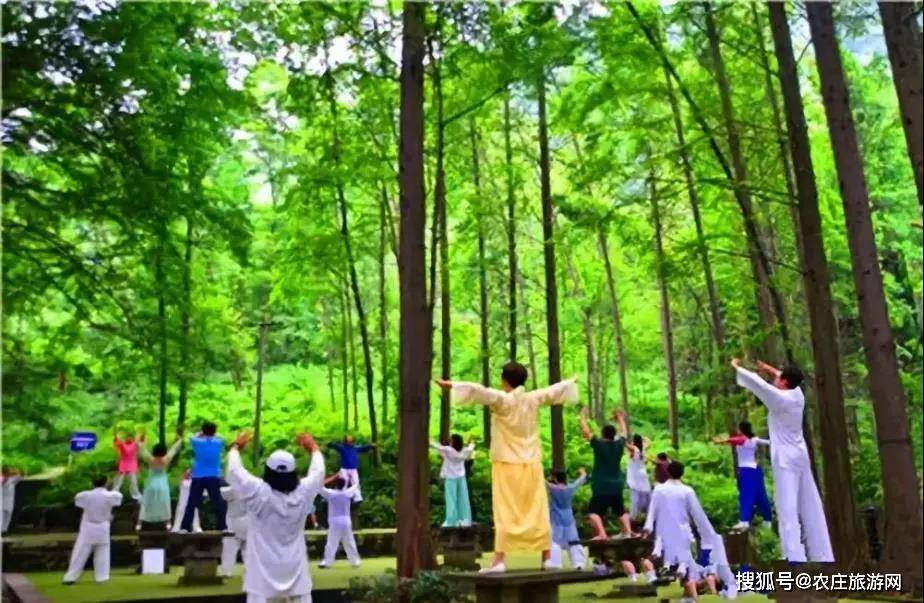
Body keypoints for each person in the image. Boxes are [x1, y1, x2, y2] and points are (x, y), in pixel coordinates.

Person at [435, 362, 578, 573]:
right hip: (530, 461)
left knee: (505, 511)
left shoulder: (502, 400)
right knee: (536, 509)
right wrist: (570, 382)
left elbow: (478, 391)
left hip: (506, 463)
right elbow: (553, 391)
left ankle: (500, 561)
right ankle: (546, 557)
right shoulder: (532, 399)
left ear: (504, 380)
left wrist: (451, 385)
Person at [732, 358, 833, 563]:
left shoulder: (780, 399)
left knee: (787, 506)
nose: (776, 380)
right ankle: (823, 554)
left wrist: (736, 367)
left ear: (785, 383)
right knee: (810, 503)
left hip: (785, 459)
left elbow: (757, 384)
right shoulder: (797, 394)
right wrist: (767, 368)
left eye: (780, 379)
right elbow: (779, 375)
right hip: (801, 456)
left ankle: (793, 556)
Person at [226, 430, 325, 603]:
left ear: (268, 471)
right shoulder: (303, 492)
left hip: (262, 579)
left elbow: (235, 471)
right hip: (296, 573)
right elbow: (318, 472)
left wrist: (236, 447)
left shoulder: (258, 492)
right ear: (294, 472)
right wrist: (313, 448)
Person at [642, 461, 737, 602]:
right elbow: (698, 515)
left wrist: (647, 527)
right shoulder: (687, 491)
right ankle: (691, 596)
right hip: (683, 535)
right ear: (682, 473)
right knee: (686, 568)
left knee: (673, 566)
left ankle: (687, 595)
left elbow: (652, 512)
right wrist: (709, 534)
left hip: (663, 536)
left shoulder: (659, 490)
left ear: (668, 472)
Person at [580, 408, 633, 540]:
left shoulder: (598, 444)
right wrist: (620, 418)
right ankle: (628, 532)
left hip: (601, 485)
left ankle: (602, 533)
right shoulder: (619, 444)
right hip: (617, 484)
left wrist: (582, 417)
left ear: (603, 435)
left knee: (593, 512)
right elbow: (624, 433)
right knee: (620, 510)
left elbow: (586, 432)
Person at [712, 420, 772, 530]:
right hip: (755, 469)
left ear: (741, 429)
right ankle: (767, 519)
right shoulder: (754, 439)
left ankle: (744, 521)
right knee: (760, 493)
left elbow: (734, 440)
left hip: (746, 470)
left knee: (746, 494)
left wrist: (720, 441)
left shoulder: (742, 439)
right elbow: (768, 442)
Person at [63, 477, 123, 584]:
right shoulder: (110, 496)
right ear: (105, 483)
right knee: (103, 552)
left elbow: (77, 501)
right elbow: (117, 497)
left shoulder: (85, 495)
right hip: (102, 526)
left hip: (89, 527)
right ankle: (102, 577)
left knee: (80, 553)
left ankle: (71, 577)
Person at [180, 421, 227, 533]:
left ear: (203, 431)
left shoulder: (197, 442)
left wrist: (201, 433)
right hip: (213, 476)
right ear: (214, 431)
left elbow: (191, 436)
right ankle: (222, 527)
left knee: (192, 503)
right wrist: (213, 434)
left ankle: (185, 527)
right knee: (217, 502)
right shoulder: (219, 442)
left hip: (198, 476)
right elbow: (221, 437)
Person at [137, 433, 183, 531]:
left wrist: (142, 440)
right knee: (164, 502)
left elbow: (141, 449)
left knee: (146, 502)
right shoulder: (166, 459)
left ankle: (139, 523)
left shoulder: (150, 459)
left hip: (151, 483)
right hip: (162, 484)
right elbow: (174, 449)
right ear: (164, 451)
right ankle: (168, 523)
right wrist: (179, 439)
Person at [545, 468, 588, 570]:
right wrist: (583, 472)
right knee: (574, 541)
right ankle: (578, 563)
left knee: (555, 541)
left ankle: (555, 563)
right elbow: (581, 479)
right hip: (569, 519)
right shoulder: (570, 488)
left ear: (555, 478)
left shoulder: (553, 488)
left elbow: (542, 481)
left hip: (556, 519)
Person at [430, 434, 475, 528]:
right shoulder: (465, 451)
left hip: (451, 478)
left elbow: (436, 446)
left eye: (451, 440)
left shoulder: (448, 450)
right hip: (461, 478)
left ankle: (451, 521)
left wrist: (429, 439)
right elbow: (471, 448)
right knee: (463, 499)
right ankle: (464, 519)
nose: (450, 441)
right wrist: (471, 443)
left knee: (451, 499)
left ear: (453, 442)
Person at [317, 477, 361, 569]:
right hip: (346, 520)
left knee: (331, 542)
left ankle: (327, 562)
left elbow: (319, 487)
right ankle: (355, 561)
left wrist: (331, 478)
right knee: (349, 541)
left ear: (335, 485)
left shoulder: (331, 493)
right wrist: (351, 477)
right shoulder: (347, 493)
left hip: (334, 521)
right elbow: (355, 485)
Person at [328, 436, 375, 502]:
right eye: (348, 439)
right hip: (344, 469)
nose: (349, 441)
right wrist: (330, 444)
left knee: (356, 482)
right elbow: (335, 446)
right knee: (343, 482)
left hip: (353, 469)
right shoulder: (342, 448)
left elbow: (364, 447)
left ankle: (358, 498)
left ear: (352, 441)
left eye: (350, 439)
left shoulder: (356, 448)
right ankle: (342, 496)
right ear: (345, 441)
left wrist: (371, 446)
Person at [219, 481, 249, 577]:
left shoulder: (231, 490)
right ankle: (250, 571)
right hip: (247, 522)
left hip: (234, 523)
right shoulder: (252, 489)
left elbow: (219, 493)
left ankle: (227, 571)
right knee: (247, 549)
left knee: (229, 548)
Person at [625, 434, 652, 520]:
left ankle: (633, 516)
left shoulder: (634, 449)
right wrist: (643, 438)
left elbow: (624, 444)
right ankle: (648, 514)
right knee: (646, 494)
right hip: (642, 474)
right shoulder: (643, 448)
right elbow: (649, 442)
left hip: (635, 475)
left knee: (635, 496)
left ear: (634, 441)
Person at [112, 426, 142, 501]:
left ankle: (136, 496)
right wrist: (115, 437)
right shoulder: (122, 444)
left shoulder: (135, 444)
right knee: (119, 481)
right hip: (123, 464)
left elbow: (140, 440)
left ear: (132, 439)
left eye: (130, 438)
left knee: (133, 482)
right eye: (127, 438)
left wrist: (140, 433)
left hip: (132, 464)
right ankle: (114, 495)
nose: (128, 439)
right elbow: (116, 443)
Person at [1, 467, 22, 533]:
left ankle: (4, 531)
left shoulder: (11, 480)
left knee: (7, 517)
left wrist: (12, 471)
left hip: (9, 503)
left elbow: (19, 475)